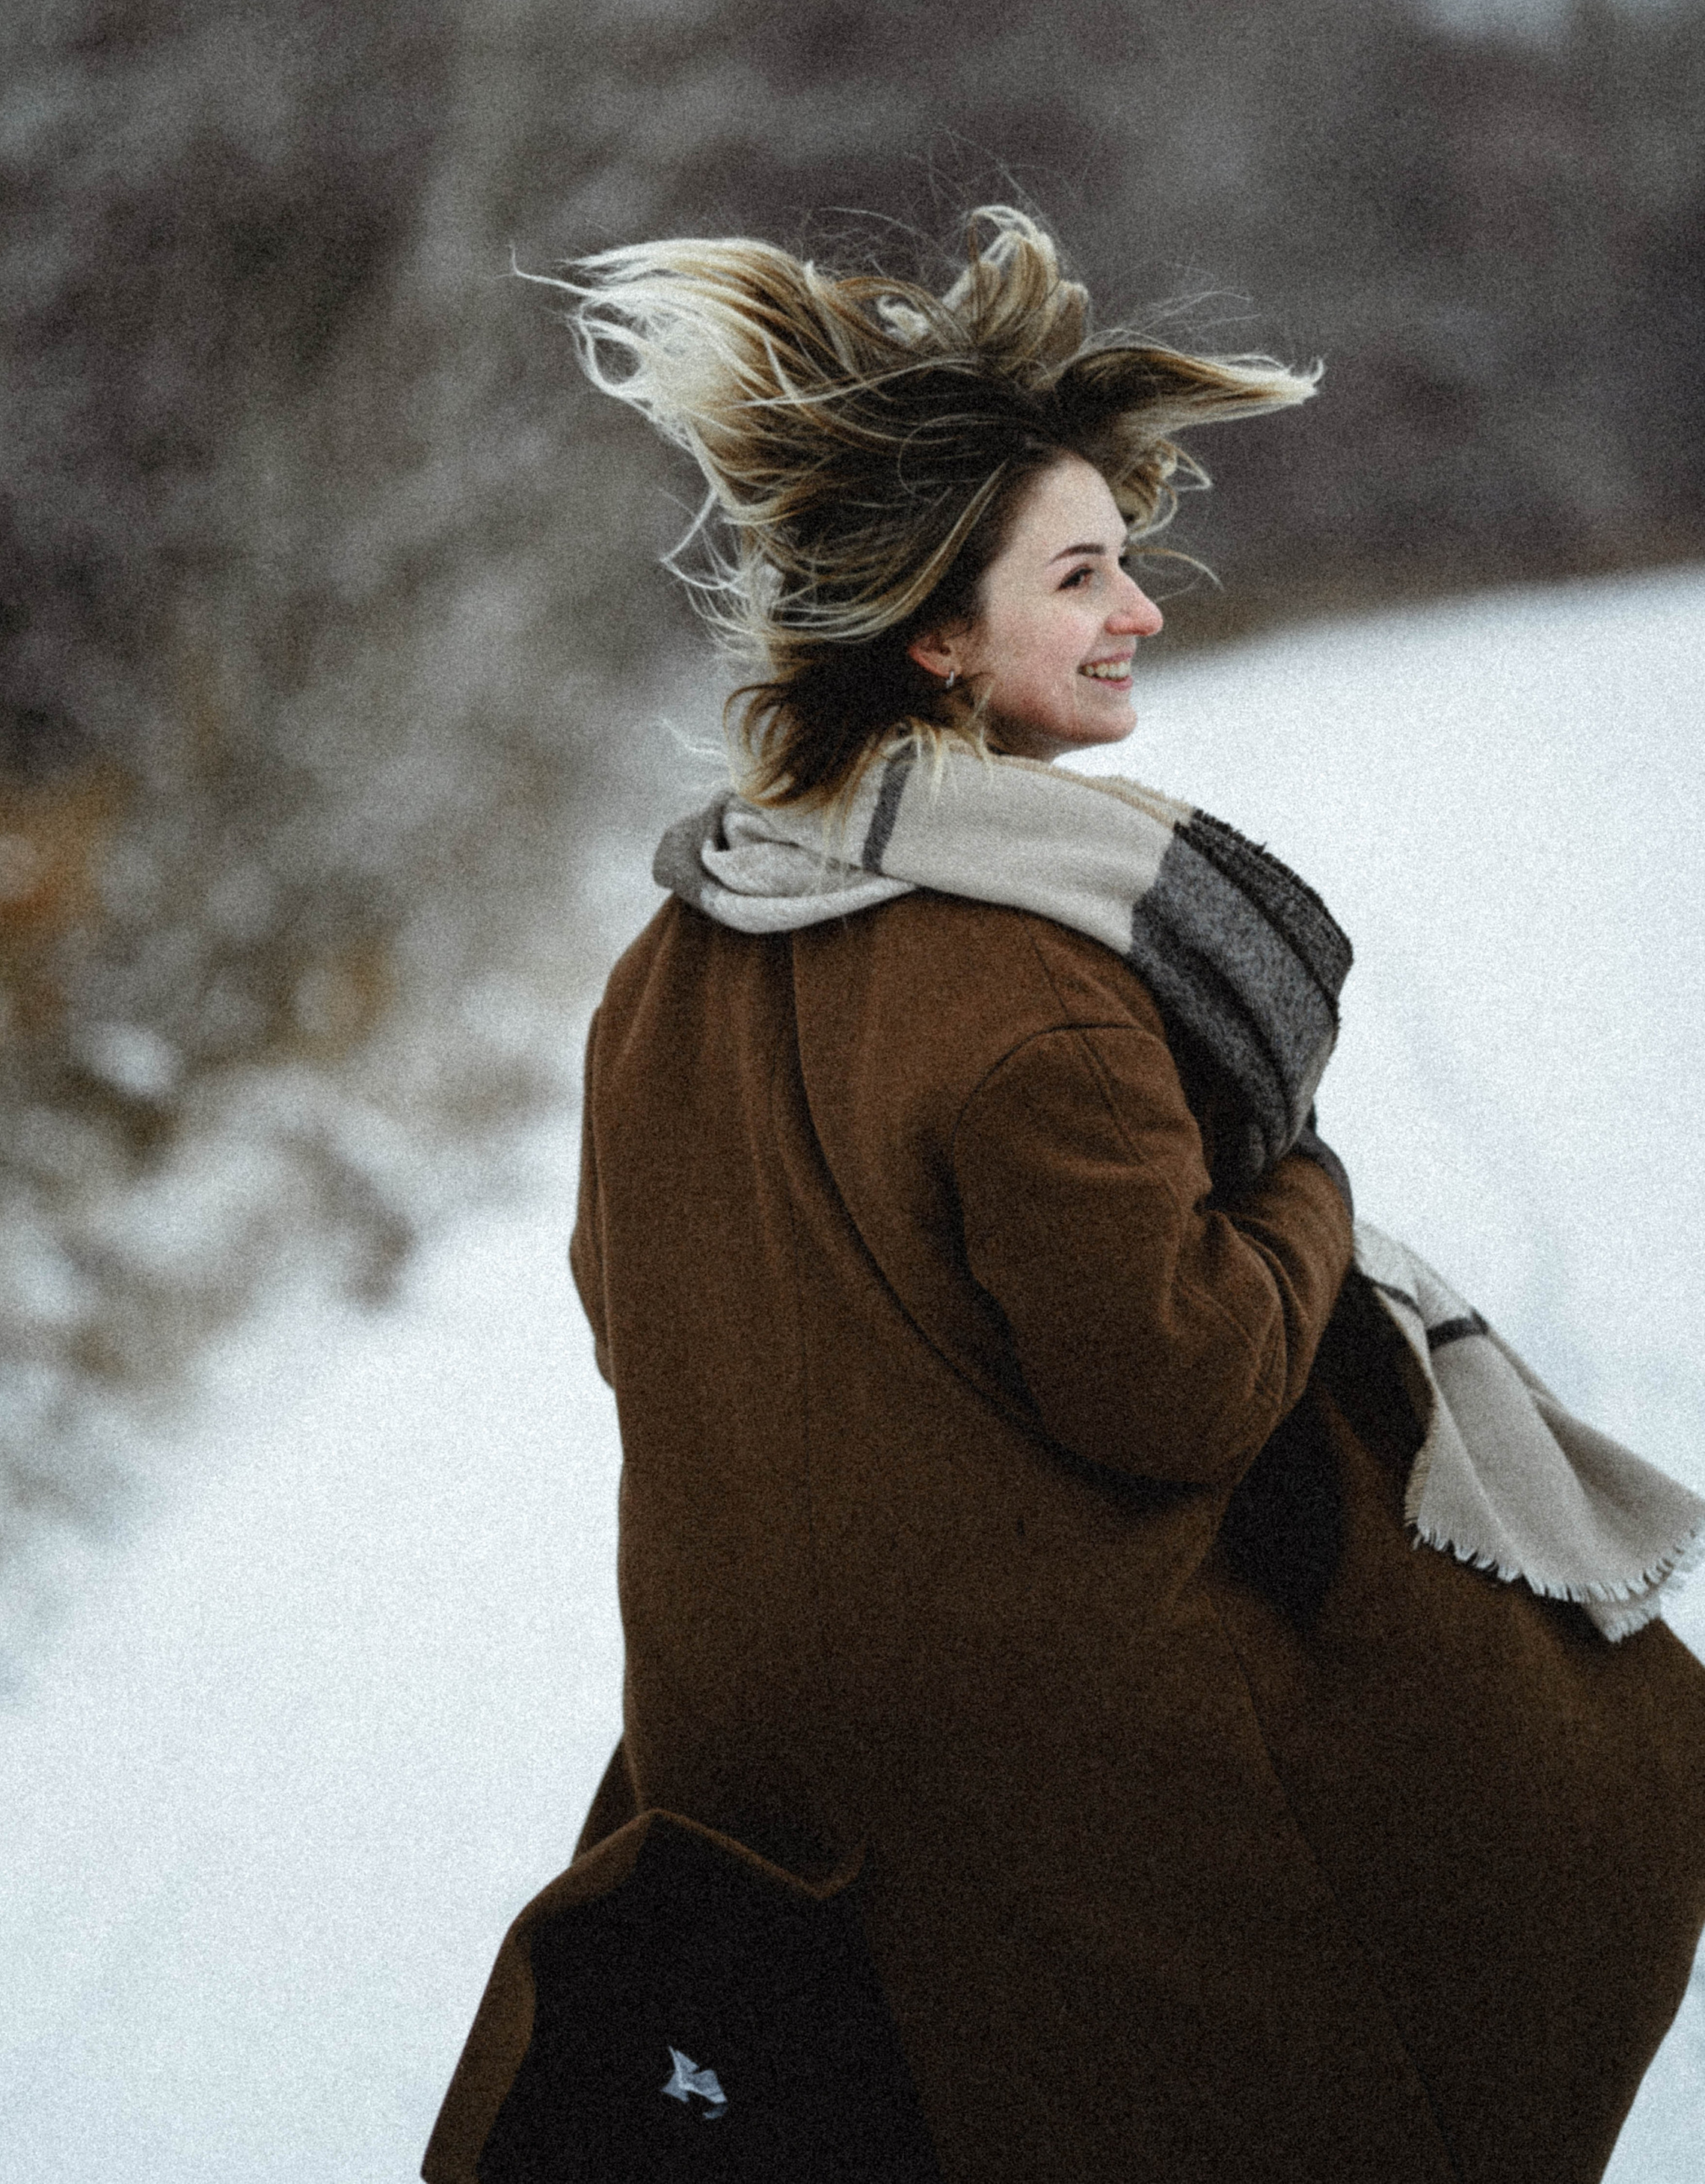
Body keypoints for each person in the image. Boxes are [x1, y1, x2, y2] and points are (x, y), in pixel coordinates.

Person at [426, 209, 1705, 2184]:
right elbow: (1178, 1391)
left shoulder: (670, 954)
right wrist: (1303, 1196)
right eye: (1086, 572)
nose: (1143, 610)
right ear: (940, 633)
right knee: (1592, 1779)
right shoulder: (1039, 992)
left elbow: (642, 1315)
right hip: (1019, 1795)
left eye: (1132, 563)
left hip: (740, 1761)